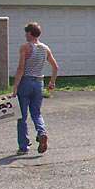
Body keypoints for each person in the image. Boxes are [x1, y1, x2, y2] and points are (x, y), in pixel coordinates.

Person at [11, 21, 58, 155]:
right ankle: (41, 132)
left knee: (22, 115)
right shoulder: (45, 48)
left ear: (30, 33)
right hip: (39, 82)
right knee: (36, 112)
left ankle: (23, 146)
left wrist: (15, 86)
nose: (25, 35)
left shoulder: (25, 47)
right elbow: (55, 67)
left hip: (26, 81)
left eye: (26, 32)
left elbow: (21, 68)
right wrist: (52, 82)